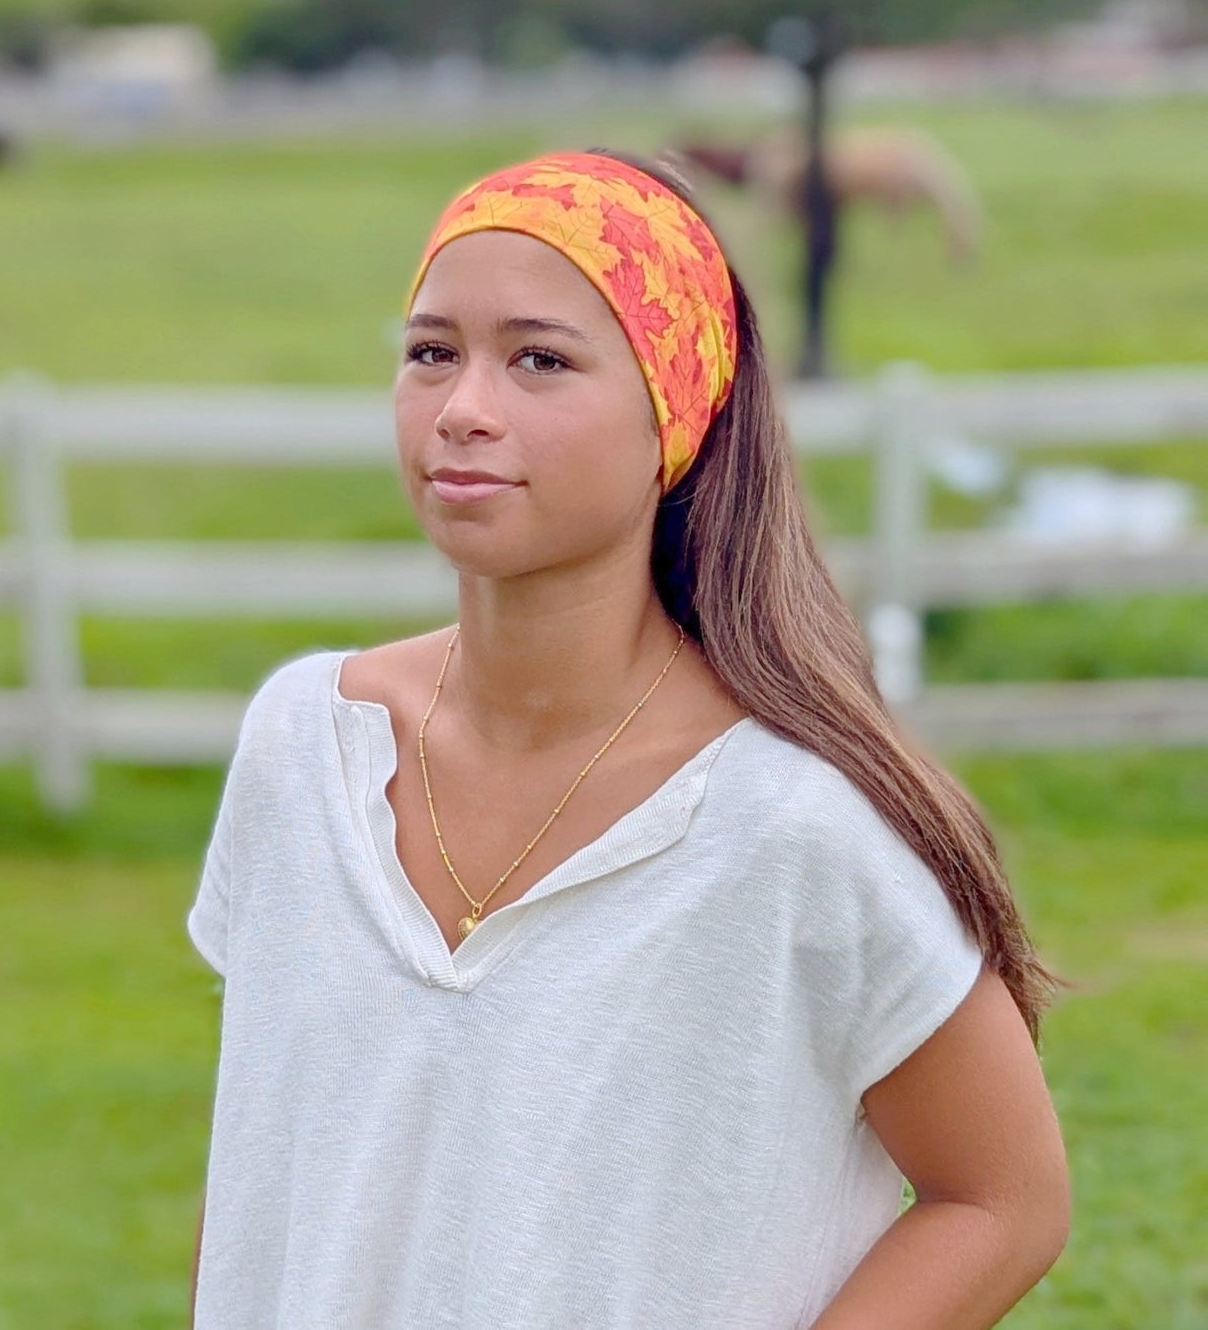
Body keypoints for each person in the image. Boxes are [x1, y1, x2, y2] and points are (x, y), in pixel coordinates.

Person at [185, 147, 1071, 1329]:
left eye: (540, 360)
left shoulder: (788, 825)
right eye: (430, 352)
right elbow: (271, 1156)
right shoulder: (303, 745)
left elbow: (1003, 1199)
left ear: (676, 410)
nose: (463, 409)